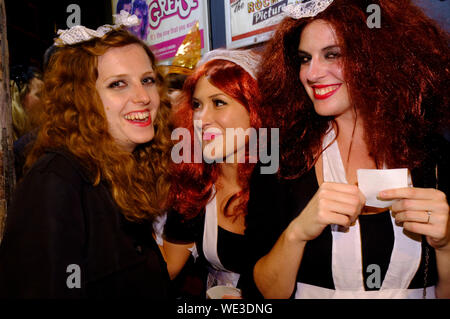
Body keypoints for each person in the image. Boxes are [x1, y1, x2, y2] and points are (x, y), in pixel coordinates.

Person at [243, 0, 449, 299]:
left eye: (333, 54)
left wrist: (446, 244)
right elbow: (265, 291)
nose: (312, 74)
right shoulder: (281, 159)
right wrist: (297, 233)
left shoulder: (432, 155)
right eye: (304, 59)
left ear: (375, 57)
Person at [0, 13, 173, 298]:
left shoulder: (127, 170)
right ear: (82, 98)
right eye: (118, 84)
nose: (143, 97)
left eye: (147, 79)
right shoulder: (56, 181)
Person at [162, 49, 262, 298]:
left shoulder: (287, 182)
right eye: (197, 105)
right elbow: (166, 270)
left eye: (219, 102)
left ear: (256, 109)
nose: (202, 119)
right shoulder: (195, 187)